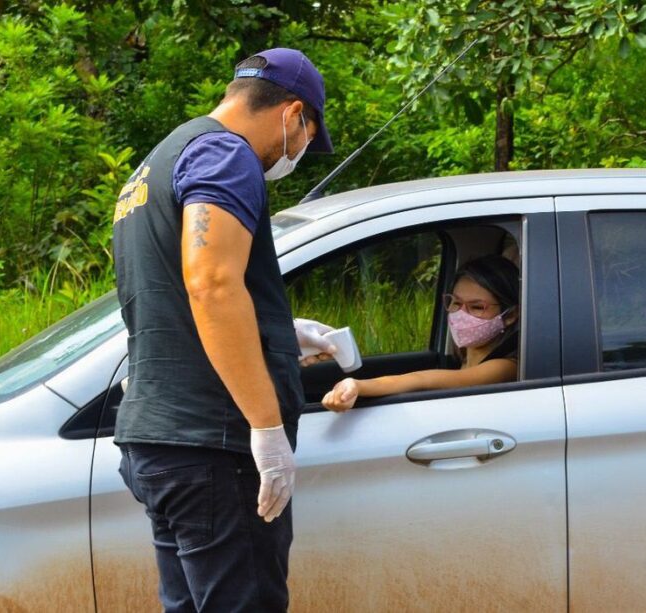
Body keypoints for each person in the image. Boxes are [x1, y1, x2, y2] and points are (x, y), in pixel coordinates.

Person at [111, 48, 334, 612]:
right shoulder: (225, 155)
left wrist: (277, 332)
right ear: (292, 114)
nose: (300, 153)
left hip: (160, 440)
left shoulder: (159, 161)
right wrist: (266, 428)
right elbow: (210, 283)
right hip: (217, 445)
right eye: (309, 135)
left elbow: (171, 294)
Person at [322, 254, 520, 412]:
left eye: (477, 307)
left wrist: (357, 385)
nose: (461, 315)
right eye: (456, 303)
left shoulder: (505, 367)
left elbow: (422, 380)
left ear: (510, 315)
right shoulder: (464, 358)